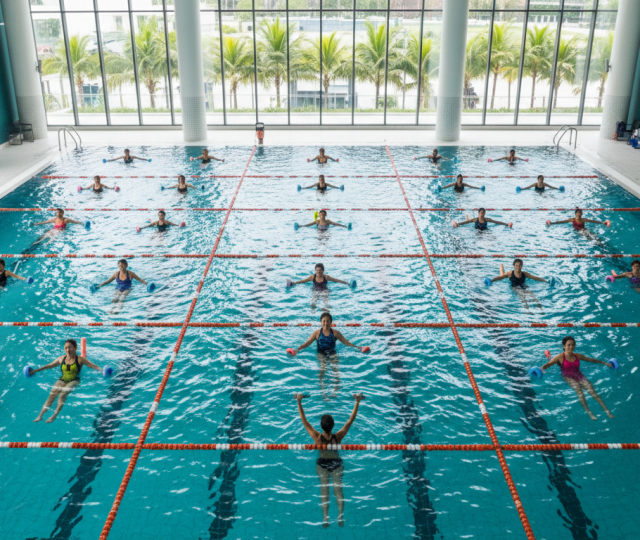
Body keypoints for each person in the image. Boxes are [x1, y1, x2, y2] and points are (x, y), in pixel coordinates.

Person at [294, 392, 365, 527]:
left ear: (321, 426)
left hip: (322, 465)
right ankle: (340, 515)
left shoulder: (316, 437)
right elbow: (350, 420)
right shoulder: (338, 437)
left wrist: (299, 401)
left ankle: (326, 517)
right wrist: (357, 402)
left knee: (324, 490)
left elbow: (304, 421)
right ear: (333, 426)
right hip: (337, 463)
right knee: (338, 489)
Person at [289, 313, 368, 398]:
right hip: (321, 354)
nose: (326, 323)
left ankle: (335, 389)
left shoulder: (335, 333)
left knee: (335, 370)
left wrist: (359, 348)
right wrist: (297, 350)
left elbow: (346, 342)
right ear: (321, 322)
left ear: (331, 322)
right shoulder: (316, 333)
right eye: (324, 321)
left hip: (332, 353)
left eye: (327, 321)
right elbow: (307, 343)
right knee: (322, 369)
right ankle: (323, 391)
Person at [540, 336, 614, 420]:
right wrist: (541, 369)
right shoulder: (559, 357)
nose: (571, 347)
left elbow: (590, 360)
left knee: (592, 390)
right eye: (568, 345)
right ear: (564, 346)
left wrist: (605, 363)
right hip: (567, 376)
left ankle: (607, 411)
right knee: (579, 390)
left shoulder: (577, 356)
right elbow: (548, 365)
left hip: (578, 375)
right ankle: (589, 412)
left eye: (572, 345)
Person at [32, 339, 103, 423]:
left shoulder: (80, 359)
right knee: (52, 394)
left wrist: (102, 371)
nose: (67, 350)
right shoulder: (61, 359)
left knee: (62, 394)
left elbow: (93, 365)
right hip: (63, 379)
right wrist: (35, 370)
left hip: (74, 380)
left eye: (70, 347)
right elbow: (49, 366)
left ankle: (54, 415)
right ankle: (40, 416)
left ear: (75, 348)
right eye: (66, 348)